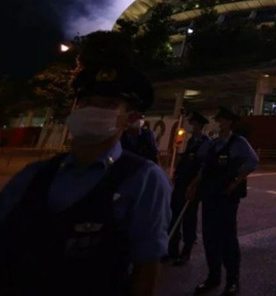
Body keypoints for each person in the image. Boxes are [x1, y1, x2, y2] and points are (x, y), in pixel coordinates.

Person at [0, 62, 171, 296]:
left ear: (130, 117)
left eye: (109, 105)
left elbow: (146, 269)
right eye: (87, 103)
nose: (93, 111)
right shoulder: (34, 174)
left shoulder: (143, 179)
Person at [187, 107, 258, 296]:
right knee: (209, 236)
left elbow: (252, 162)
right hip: (210, 194)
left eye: (222, 120)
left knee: (227, 237)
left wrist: (235, 183)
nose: (218, 123)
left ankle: (232, 279)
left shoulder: (238, 142)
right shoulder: (213, 143)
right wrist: (194, 185)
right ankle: (213, 276)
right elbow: (204, 167)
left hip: (227, 196)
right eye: (218, 120)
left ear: (230, 122)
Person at [167, 110, 211, 265]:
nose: (191, 125)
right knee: (174, 215)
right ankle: (172, 250)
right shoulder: (191, 140)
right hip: (181, 183)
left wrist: (193, 186)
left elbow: (202, 167)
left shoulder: (205, 143)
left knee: (188, 218)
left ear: (199, 124)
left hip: (191, 186)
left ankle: (186, 251)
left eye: (193, 123)